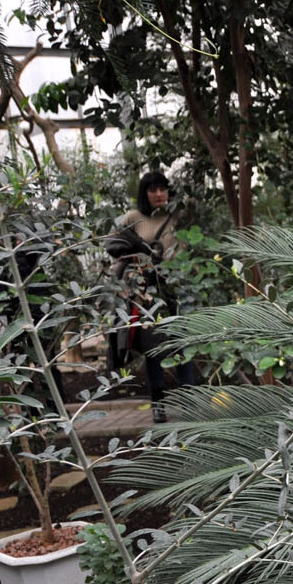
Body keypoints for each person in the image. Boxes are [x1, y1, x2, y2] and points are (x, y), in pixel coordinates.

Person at [106, 170, 194, 422]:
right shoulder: (134, 218)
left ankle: (188, 401)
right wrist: (130, 275)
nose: (158, 194)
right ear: (145, 193)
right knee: (153, 348)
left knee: (183, 343)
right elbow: (114, 246)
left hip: (179, 288)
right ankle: (158, 404)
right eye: (153, 189)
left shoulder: (178, 215)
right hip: (148, 292)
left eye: (163, 189)